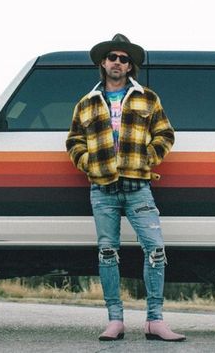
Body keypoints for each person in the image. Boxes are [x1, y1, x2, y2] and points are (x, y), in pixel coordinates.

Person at [66, 34, 185, 342]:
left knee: (155, 250)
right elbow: (74, 141)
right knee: (107, 253)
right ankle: (115, 320)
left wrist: (148, 157)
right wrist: (88, 164)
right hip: (102, 188)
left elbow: (165, 134)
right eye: (112, 57)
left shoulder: (147, 97)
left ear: (130, 66)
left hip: (138, 186)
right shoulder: (86, 103)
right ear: (103, 63)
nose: (117, 62)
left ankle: (155, 321)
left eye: (123, 58)